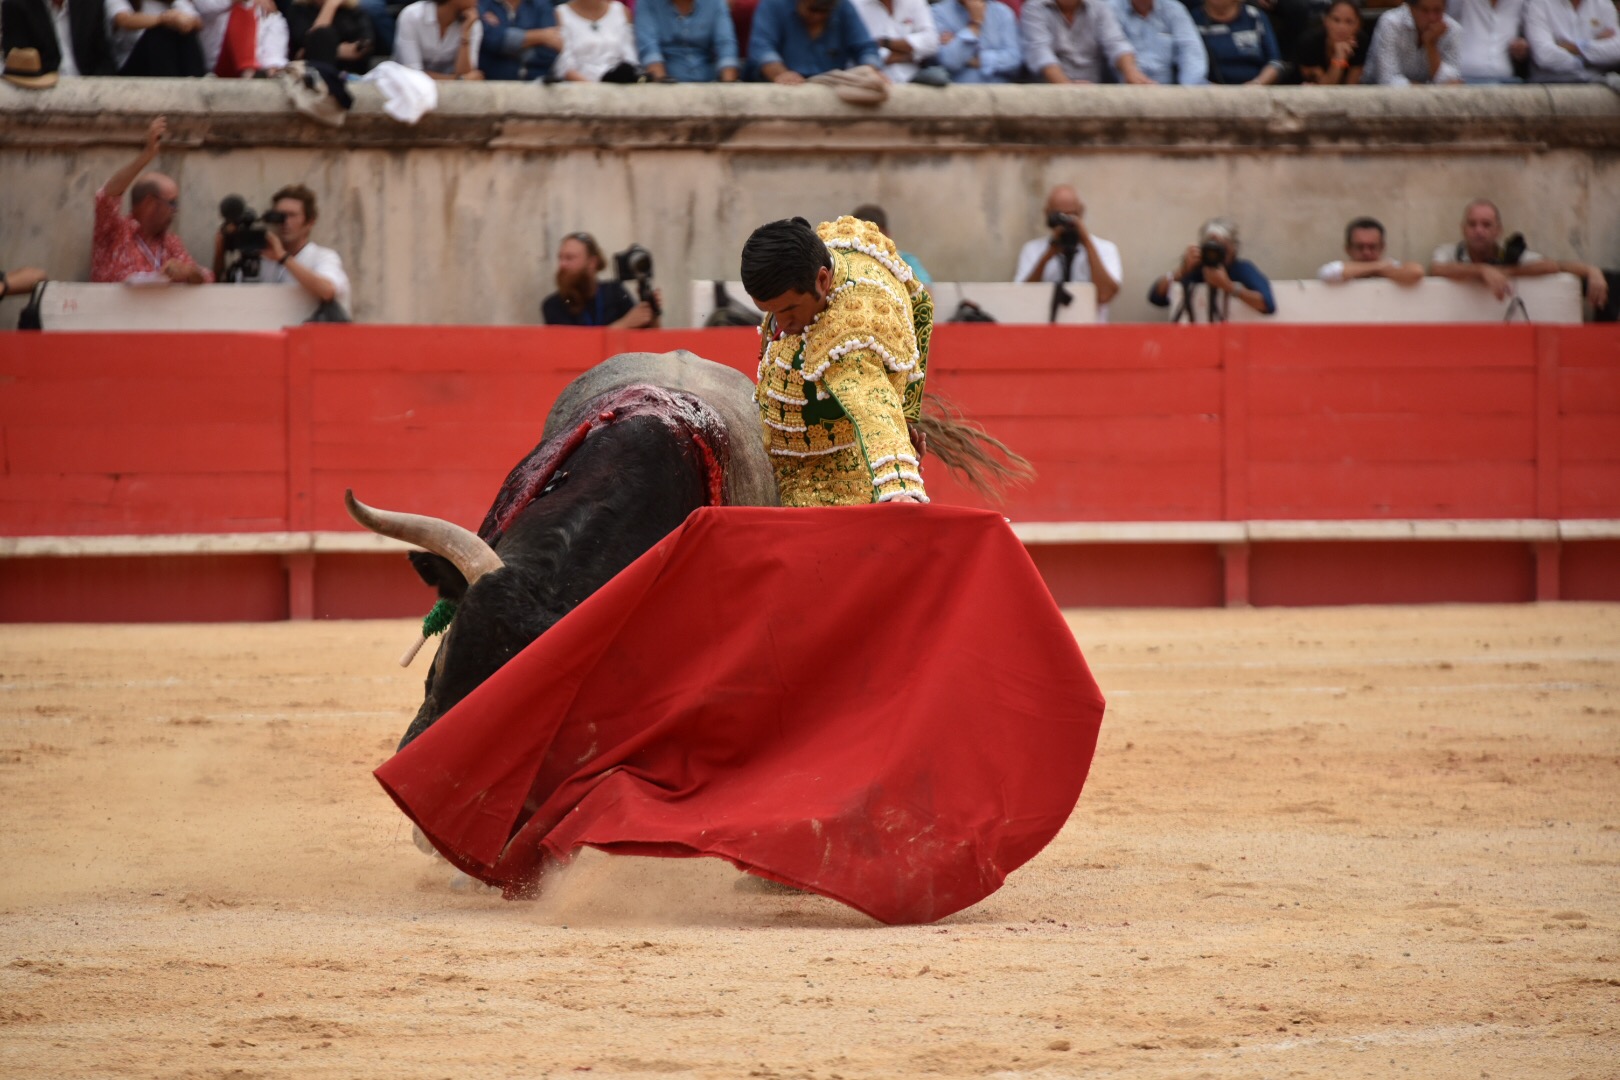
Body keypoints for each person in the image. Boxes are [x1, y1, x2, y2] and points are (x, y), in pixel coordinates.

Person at [743, 216, 932, 507]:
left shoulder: (849, 335)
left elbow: (872, 405)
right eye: (770, 311)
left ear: (822, 279)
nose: (782, 324)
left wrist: (899, 483)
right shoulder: (824, 251)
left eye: (790, 308)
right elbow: (920, 306)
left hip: (840, 489)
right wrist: (906, 419)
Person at [1430, 199, 1611, 315]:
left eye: (1486, 225)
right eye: (1472, 224)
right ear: (1463, 229)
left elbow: (1553, 265)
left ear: (1498, 231)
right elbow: (1437, 269)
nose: (1479, 231)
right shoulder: (1449, 252)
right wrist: (1482, 270)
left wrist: (1591, 270)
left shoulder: (1509, 255)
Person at [91, 117, 212, 285]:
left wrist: (188, 272)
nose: (175, 210)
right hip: (112, 311)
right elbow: (106, 196)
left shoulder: (171, 243)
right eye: (172, 203)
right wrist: (146, 155)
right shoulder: (116, 233)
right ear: (150, 203)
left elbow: (207, 278)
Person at [214, 184, 352, 319]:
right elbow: (228, 297)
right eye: (280, 216)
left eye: (292, 215)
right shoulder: (261, 259)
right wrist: (220, 252)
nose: (285, 222)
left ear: (310, 222)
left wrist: (283, 258)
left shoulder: (322, 256)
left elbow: (327, 291)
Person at [1014, 184, 1122, 321]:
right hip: (1044, 334)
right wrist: (1049, 254)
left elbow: (1105, 295)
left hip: (1091, 333)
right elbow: (1021, 297)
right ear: (1047, 214)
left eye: (1071, 215)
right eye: (1059, 216)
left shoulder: (1105, 249)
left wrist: (1087, 242)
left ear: (1081, 212)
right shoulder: (1033, 250)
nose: (1066, 222)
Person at [1148, 217, 1275, 320]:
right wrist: (1181, 271)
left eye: (1221, 247)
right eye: (1210, 246)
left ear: (1233, 248)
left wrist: (1228, 286)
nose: (1215, 253)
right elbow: (1156, 297)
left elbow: (1267, 304)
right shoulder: (1195, 269)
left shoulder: (1240, 269)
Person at [541, 232, 661, 327]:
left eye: (569, 258)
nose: (562, 265)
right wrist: (623, 325)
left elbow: (648, 339)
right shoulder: (553, 305)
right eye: (560, 258)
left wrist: (652, 314)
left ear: (592, 262)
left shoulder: (614, 292)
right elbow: (573, 347)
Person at [748, 0, 882, 82]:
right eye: (813, 9)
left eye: (825, 11)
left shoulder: (843, 6)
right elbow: (761, 47)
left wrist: (871, 71)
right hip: (779, 91)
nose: (817, 16)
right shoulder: (774, 4)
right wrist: (781, 74)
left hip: (831, 91)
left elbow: (866, 47)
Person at [1020, 0, 1152, 83]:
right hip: (1048, 95)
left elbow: (1116, 43)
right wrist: (1068, 87)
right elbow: (1041, 53)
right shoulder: (1033, 8)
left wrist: (1131, 72)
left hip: (1093, 92)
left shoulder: (1100, 7)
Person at [0, 0, 117, 78]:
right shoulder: (16, 5)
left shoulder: (89, 3)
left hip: (88, 88)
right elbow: (17, 62)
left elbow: (104, 58)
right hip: (42, 90)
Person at [633, 0, 739, 82]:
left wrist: (728, 92)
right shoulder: (647, 3)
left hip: (709, 82)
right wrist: (664, 90)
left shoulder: (715, 3)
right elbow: (650, 51)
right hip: (667, 84)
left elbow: (726, 47)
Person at [1108, 0, 1207, 83]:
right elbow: (1115, 45)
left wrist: (1189, 89)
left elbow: (1190, 50)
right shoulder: (1110, 8)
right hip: (1121, 91)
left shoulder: (1174, 9)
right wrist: (1129, 71)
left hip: (1167, 92)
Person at [1365, 0, 1463, 83]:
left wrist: (1431, 45)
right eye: (1425, 10)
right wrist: (1427, 91)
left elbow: (1452, 83)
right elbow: (1387, 79)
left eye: (1437, 11)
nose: (1432, 18)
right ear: (1410, 8)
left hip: (1432, 98)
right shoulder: (1390, 23)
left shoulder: (1453, 29)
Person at [1523, 0, 1620, 81]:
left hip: (1596, 83)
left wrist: (1573, 48)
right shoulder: (1538, 4)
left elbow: (1617, 51)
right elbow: (1545, 57)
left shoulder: (1603, 4)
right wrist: (1593, 51)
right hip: (1552, 84)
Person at [1192, 0, 1285, 84]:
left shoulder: (1254, 16)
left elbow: (1274, 62)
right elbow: (1189, 65)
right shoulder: (1193, 20)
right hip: (1211, 92)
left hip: (1255, 90)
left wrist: (1257, 84)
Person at [106, 0, 206, 75]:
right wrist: (163, 19)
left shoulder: (172, 2)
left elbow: (197, 22)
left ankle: (196, 77)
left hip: (171, 62)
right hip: (132, 65)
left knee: (182, 31)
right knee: (161, 31)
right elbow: (124, 20)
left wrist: (182, 22)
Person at [1317, 217, 1424, 286]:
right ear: (1348, 249)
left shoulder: (1391, 266)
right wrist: (1377, 267)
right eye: (1360, 247)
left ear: (1382, 247)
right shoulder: (1384, 266)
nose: (1366, 252)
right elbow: (1327, 273)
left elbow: (1416, 272)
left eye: (1372, 247)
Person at [933, 0, 1021, 83]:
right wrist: (974, 26)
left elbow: (1014, 60)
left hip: (1001, 91)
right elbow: (949, 62)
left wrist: (973, 60)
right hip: (960, 92)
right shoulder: (939, 12)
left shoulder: (1003, 13)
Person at [850, 0, 939, 82]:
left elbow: (932, 41)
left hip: (915, 77)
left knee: (938, 77)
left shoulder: (915, 2)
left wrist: (885, 43)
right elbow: (856, 53)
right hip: (874, 81)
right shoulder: (853, 5)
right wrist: (909, 54)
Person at [394, 0, 483, 79]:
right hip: (407, 89)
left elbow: (466, 74)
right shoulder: (411, 16)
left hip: (449, 92)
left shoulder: (472, 24)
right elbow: (413, 75)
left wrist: (465, 35)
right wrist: (458, 79)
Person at [195, 0, 288, 76]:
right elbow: (203, 6)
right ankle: (248, 71)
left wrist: (272, 66)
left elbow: (274, 26)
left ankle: (263, 73)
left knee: (273, 16)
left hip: (259, 67)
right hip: (216, 63)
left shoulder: (262, 5)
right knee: (242, 10)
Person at [552, 0, 638, 81]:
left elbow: (630, 59)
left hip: (620, 86)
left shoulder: (621, 11)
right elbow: (565, 67)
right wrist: (596, 89)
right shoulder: (560, 13)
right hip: (578, 88)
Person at [284, 0, 375, 75]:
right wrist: (331, 5)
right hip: (313, 72)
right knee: (323, 34)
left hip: (351, 70)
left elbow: (364, 46)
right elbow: (313, 41)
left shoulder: (355, 11)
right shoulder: (298, 10)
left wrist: (328, 49)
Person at [850, 203, 931, 285]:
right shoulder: (845, 262)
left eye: (875, 236)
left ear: (887, 235)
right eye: (861, 236)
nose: (868, 243)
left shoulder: (905, 262)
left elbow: (925, 292)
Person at [1448, 0, 1528, 82]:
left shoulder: (1519, 3)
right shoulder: (1462, 3)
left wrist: (1521, 47)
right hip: (1466, 77)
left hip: (1506, 79)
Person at [477, 0, 559, 80]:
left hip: (535, 82)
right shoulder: (482, 3)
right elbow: (492, 40)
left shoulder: (541, 4)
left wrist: (507, 46)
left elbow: (550, 50)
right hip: (491, 83)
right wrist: (542, 36)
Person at [1293, 0, 1369, 84]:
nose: (1341, 27)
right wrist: (1339, 57)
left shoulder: (1361, 42)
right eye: (1336, 20)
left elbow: (1351, 89)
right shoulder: (1309, 42)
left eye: (1349, 21)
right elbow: (1324, 89)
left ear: (1358, 25)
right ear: (1325, 21)